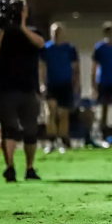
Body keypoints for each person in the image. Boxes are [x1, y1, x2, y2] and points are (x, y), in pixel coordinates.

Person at [0, 0, 46, 182]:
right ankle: (10, 167)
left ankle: (29, 168)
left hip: (28, 88)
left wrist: (21, 27)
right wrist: (2, 28)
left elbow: (40, 43)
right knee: (9, 129)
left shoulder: (31, 32)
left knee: (30, 130)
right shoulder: (0, 33)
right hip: (5, 88)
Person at [40, 23, 80, 154]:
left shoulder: (70, 49)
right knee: (50, 113)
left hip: (65, 84)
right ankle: (51, 141)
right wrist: (42, 84)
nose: (57, 34)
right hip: (51, 84)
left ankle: (63, 140)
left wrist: (76, 84)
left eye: (59, 32)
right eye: (54, 32)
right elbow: (42, 67)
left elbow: (75, 68)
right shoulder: (46, 49)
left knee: (63, 114)